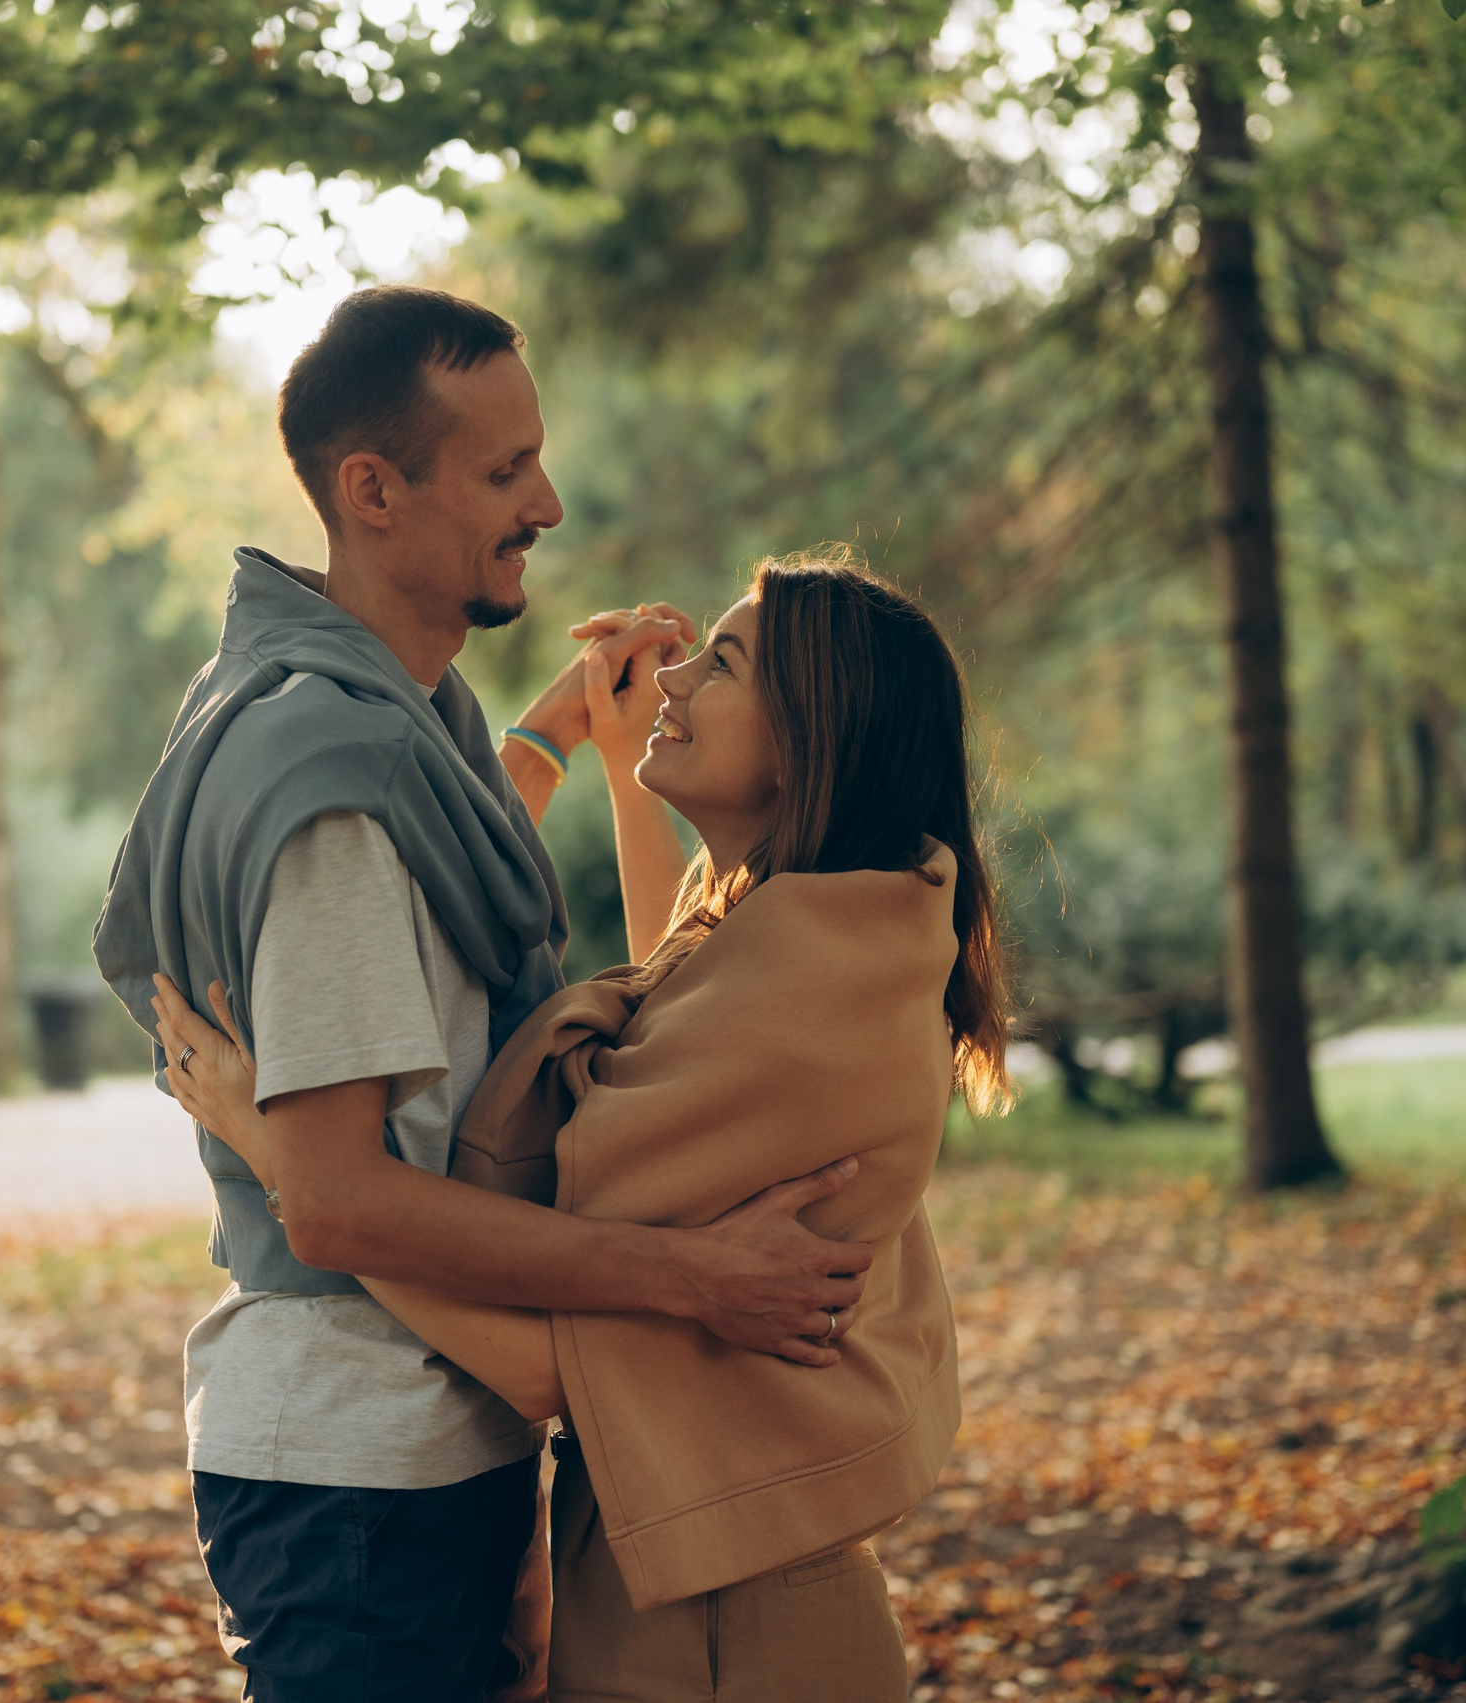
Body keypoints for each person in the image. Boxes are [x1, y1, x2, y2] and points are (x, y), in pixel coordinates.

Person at [93, 287, 881, 1703]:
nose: (550, 503)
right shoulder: (335, 790)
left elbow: (445, 892)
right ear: (373, 490)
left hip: (422, 1454)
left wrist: (554, 732)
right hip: (361, 1475)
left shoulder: (387, 725)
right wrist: (699, 1276)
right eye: (505, 471)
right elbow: (334, 1198)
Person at [155, 551, 1012, 1701]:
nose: (674, 680)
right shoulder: (840, 938)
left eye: (724, 662)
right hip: (718, 1588)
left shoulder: (813, 994)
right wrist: (591, 759)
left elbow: (534, 1361)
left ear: (819, 729)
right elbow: (679, 1006)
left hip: (724, 1634)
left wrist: (286, 1157)